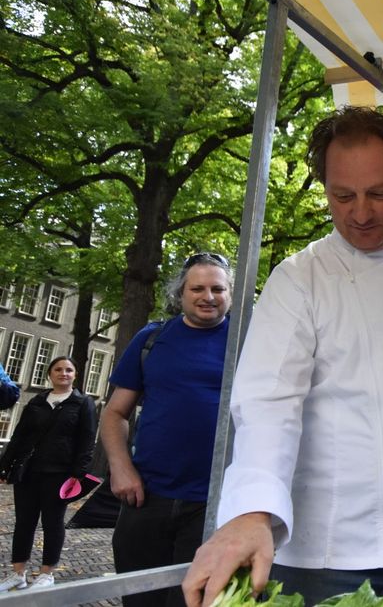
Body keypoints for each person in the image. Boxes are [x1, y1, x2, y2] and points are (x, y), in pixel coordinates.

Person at [182, 106, 383, 607]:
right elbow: (268, 404)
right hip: (325, 552)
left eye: (379, 193)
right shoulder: (298, 278)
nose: (361, 213)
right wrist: (252, 512)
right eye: (342, 195)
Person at [100, 252, 233, 607]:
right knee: (142, 601)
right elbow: (114, 413)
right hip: (147, 499)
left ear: (230, 294)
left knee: (194, 601)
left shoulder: (248, 342)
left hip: (214, 504)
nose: (208, 296)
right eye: (198, 288)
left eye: (217, 289)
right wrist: (121, 468)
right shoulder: (151, 340)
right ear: (181, 294)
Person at [0, 356, 96, 591]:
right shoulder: (37, 402)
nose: (64, 373)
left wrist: (78, 473)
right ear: (50, 374)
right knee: (24, 522)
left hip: (60, 474)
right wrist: (4, 465)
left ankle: (46, 574)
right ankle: (18, 573)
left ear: (75, 375)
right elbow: (20, 436)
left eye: (69, 370)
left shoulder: (83, 403)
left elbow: (87, 440)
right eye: (58, 369)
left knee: (53, 523)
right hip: (29, 472)